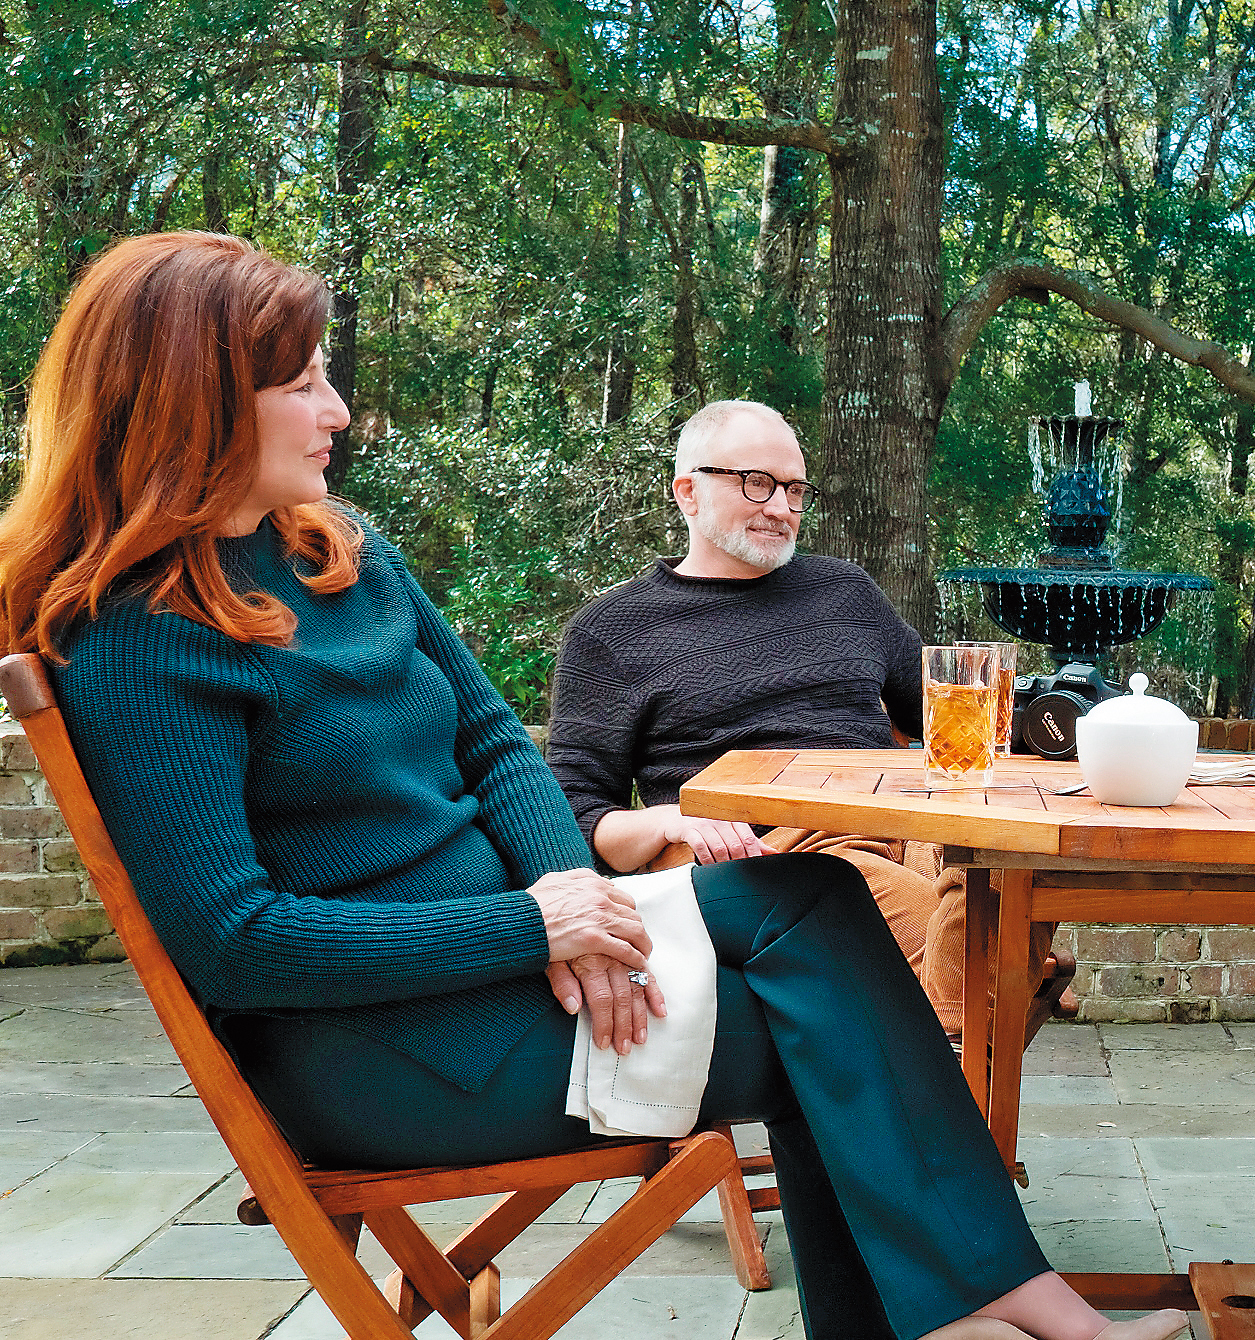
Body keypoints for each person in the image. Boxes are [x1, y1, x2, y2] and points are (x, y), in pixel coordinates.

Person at [0, 231, 1186, 1340]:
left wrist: (574, 904)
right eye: (303, 383)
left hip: (521, 965)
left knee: (813, 898)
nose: (339, 409)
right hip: (395, 1048)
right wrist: (535, 922)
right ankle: (1003, 1308)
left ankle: (978, 1303)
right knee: (832, 1026)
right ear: (193, 404)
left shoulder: (338, 547)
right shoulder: (140, 635)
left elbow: (496, 747)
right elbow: (236, 943)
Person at [547, 399, 994, 1033]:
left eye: (794, 489)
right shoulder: (614, 631)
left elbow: (946, 708)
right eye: (757, 483)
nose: (781, 508)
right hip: (768, 851)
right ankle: (964, 1042)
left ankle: (946, 1048)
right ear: (688, 492)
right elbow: (572, 809)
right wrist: (669, 821)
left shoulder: (846, 593)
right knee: (972, 946)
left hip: (906, 826)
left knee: (1006, 887)